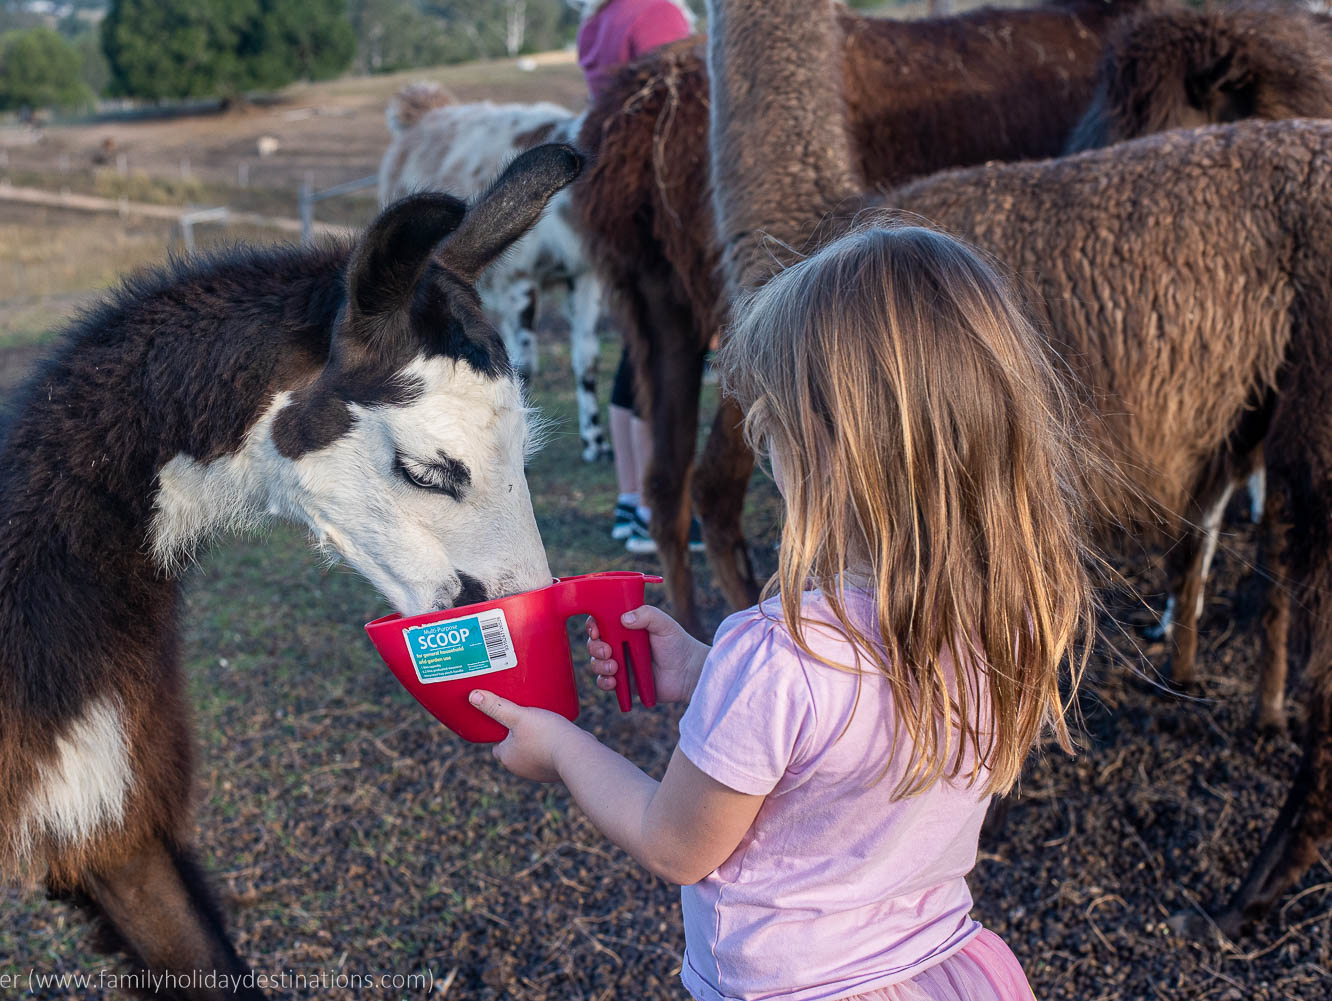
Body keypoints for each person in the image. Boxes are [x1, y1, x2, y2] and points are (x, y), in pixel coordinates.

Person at [469, 226, 1099, 1001]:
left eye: (773, 424)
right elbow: (851, 729)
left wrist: (560, 745)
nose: (762, 444)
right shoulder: (1009, 613)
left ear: (831, 452)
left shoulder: (776, 654)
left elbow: (675, 844)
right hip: (943, 970)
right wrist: (706, 671)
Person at [575, 0, 703, 554]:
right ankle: (661, 506)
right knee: (669, 350)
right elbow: (678, 108)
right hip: (664, 198)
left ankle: (634, 502)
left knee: (639, 347)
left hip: (617, 191)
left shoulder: (600, 17)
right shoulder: (654, 14)